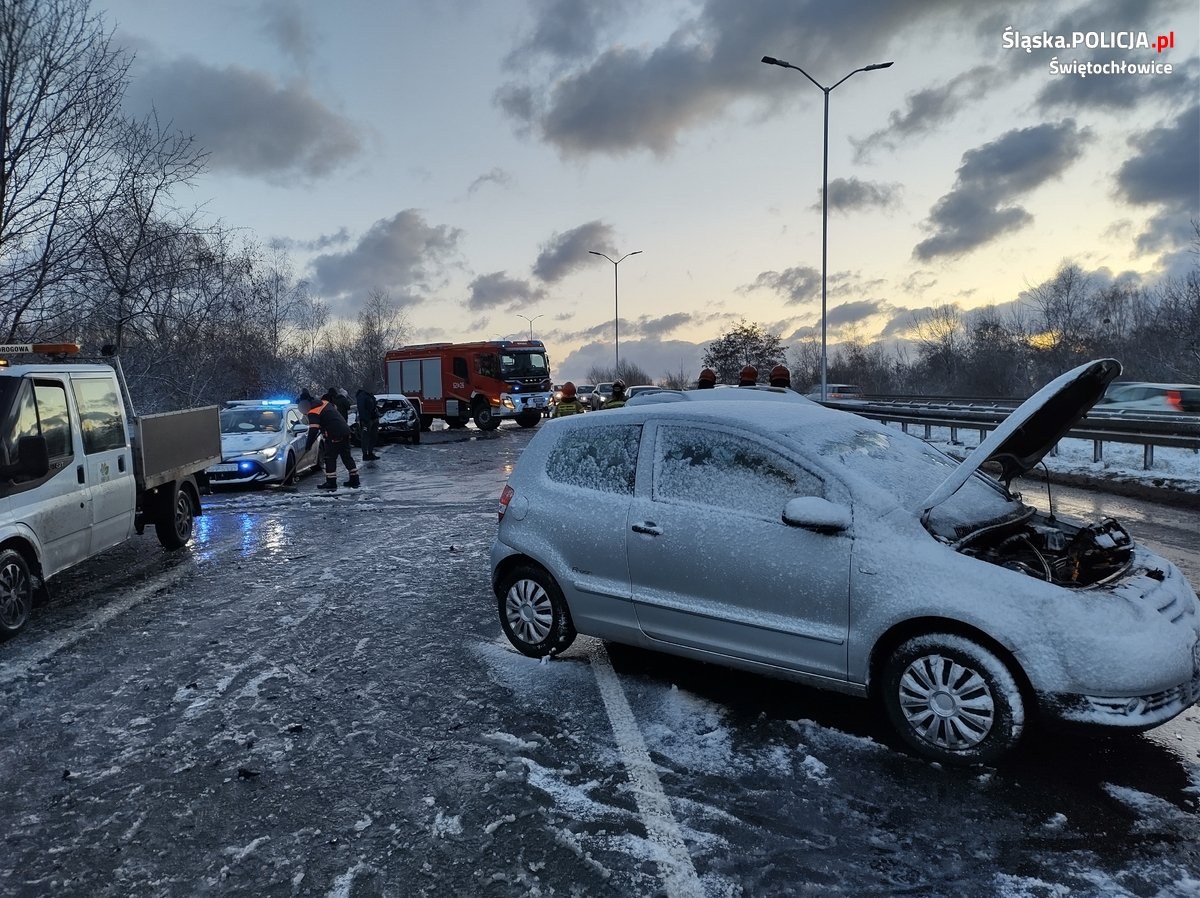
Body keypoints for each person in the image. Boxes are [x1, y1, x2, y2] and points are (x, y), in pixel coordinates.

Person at [300, 389, 359, 490]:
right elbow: (329, 416)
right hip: (345, 431)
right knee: (346, 456)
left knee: (330, 458)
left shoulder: (313, 411)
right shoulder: (324, 403)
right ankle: (354, 479)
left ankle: (331, 482)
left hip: (334, 434)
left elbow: (313, 430)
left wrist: (308, 445)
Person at [356, 384, 380, 461]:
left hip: (373, 418)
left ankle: (370, 452)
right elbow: (362, 409)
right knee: (365, 437)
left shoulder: (369, 395)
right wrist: (365, 419)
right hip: (367, 420)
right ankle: (365, 454)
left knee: (372, 437)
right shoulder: (362, 396)